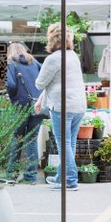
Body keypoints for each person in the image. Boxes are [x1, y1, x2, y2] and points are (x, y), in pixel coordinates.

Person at [36, 23, 87, 191]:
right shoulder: (73, 56)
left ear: (51, 39)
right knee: (69, 143)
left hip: (61, 106)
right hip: (78, 105)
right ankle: (60, 177)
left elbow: (40, 83)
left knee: (63, 143)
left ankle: (70, 180)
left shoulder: (53, 58)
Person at [5, 41, 42, 184]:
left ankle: (11, 175)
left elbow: (11, 84)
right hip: (37, 106)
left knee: (17, 139)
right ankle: (31, 177)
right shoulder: (35, 62)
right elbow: (45, 80)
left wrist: (13, 96)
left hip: (20, 107)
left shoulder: (10, 63)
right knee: (32, 140)